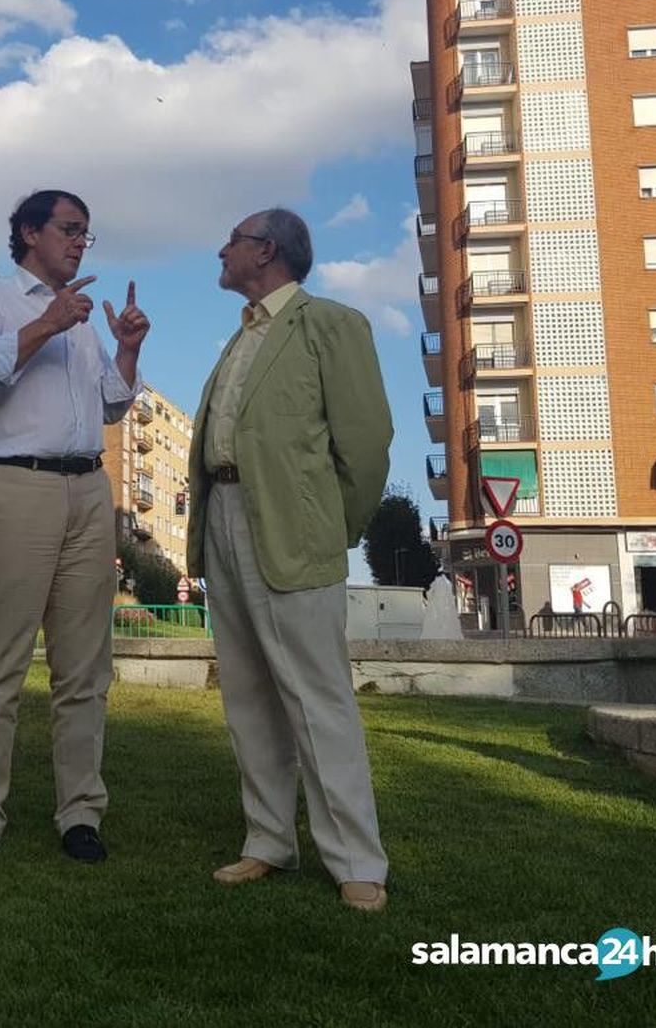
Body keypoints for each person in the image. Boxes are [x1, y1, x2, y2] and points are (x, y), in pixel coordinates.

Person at [187, 207, 394, 911]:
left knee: (318, 697)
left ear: (265, 250)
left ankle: (357, 860)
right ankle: (268, 840)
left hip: (294, 530)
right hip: (224, 518)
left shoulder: (333, 324)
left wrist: (332, 525)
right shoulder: (239, 336)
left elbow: (365, 443)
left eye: (232, 239)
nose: (222, 249)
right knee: (247, 696)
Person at [0, 189, 150, 865]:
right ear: (30, 232)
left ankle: (80, 813)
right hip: (14, 485)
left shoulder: (85, 323)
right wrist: (45, 326)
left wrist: (126, 350)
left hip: (88, 490)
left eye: (87, 233)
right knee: (0, 663)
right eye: (69, 229)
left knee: (84, 668)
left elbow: (112, 408)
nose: (80, 242)